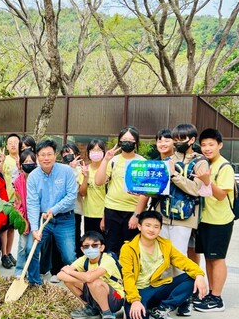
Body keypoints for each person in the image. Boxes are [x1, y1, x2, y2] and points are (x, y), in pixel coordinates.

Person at [120, 211, 207, 319]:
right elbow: (127, 276)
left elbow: (183, 261)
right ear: (140, 227)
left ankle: (161, 309)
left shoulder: (165, 245)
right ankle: (146, 308)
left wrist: (199, 275)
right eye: (148, 225)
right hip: (138, 291)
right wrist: (135, 300)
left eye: (156, 227)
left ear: (160, 229)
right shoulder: (128, 248)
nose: (152, 229)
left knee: (191, 278)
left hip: (157, 287)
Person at [154, 124, 210, 295]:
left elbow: (195, 189)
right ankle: (164, 294)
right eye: (176, 139)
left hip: (184, 218)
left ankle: (182, 297)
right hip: (162, 215)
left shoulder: (200, 162)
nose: (178, 142)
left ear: (192, 140)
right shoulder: (167, 160)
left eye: (182, 139)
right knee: (162, 257)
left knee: (179, 257)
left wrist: (174, 175)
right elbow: (158, 187)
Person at [194, 128, 236, 312]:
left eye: (211, 144)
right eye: (204, 145)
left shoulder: (224, 166)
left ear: (220, 145)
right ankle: (211, 294)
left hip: (220, 220)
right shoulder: (206, 164)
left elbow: (220, 196)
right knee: (209, 259)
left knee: (217, 259)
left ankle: (217, 299)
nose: (207, 148)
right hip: (205, 219)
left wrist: (207, 181)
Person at [26, 139, 77, 286]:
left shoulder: (66, 171)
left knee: (69, 256)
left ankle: (79, 285)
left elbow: (71, 195)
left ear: (55, 156)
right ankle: (35, 282)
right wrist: (35, 228)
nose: (46, 158)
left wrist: (54, 210)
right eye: (42, 155)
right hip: (43, 220)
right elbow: (33, 203)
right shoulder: (34, 177)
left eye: (49, 154)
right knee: (32, 248)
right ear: (37, 157)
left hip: (65, 219)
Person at [95, 126, 148, 255]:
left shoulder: (142, 163)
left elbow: (145, 193)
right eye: (124, 139)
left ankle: (128, 274)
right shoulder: (113, 160)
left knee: (131, 248)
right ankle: (113, 274)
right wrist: (106, 159)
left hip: (132, 211)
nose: (127, 142)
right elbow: (99, 181)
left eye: (130, 139)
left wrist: (136, 215)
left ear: (136, 142)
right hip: (112, 210)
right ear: (119, 141)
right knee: (112, 247)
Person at [57, 231, 124, 319]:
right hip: (96, 293)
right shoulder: (84, 260)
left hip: (117, 296)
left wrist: (75, 274)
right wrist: (82, 278)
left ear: (101, 247)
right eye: (87, 246)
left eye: (94, 245)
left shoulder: (107, 259)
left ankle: (108, 314)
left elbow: (90, 278)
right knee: (71, 281)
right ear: (82, 249)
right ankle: (91, 309)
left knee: (94, 281)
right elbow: (60, 275)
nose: (91, 249)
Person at [13, 149, 37, 278]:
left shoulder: (39, 179)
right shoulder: (18, 181)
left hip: (37, 218)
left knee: (32, 247)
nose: (28, 163)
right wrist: (22, 218)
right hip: (23, 218)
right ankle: (19, 270)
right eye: (26, 161)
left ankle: (32, 271)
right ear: (21, 164)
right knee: (22, 246)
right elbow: (17, 202)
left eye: (31, 161)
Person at [0, 133, 21, 270]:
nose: (13, 144)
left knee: (12, 228)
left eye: (16, 142)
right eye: (10, 142)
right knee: (4, 228)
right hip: (4, 200)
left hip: (17, 200)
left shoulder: (23, 159)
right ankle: (4, 254)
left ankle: (9, 252)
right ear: (7, 146)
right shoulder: (4, 159)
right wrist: (0, 162)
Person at [80, 139, 106, 235]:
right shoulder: (85, 169)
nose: (96, 153)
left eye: (99, 150)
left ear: (103, 152)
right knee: (90, 242)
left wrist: (105, 216)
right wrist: (86, 177)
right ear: (88, 153)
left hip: (105, 214)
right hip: (89, 214)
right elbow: (82, 193)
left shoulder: (108, 170)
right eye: (92, 150)